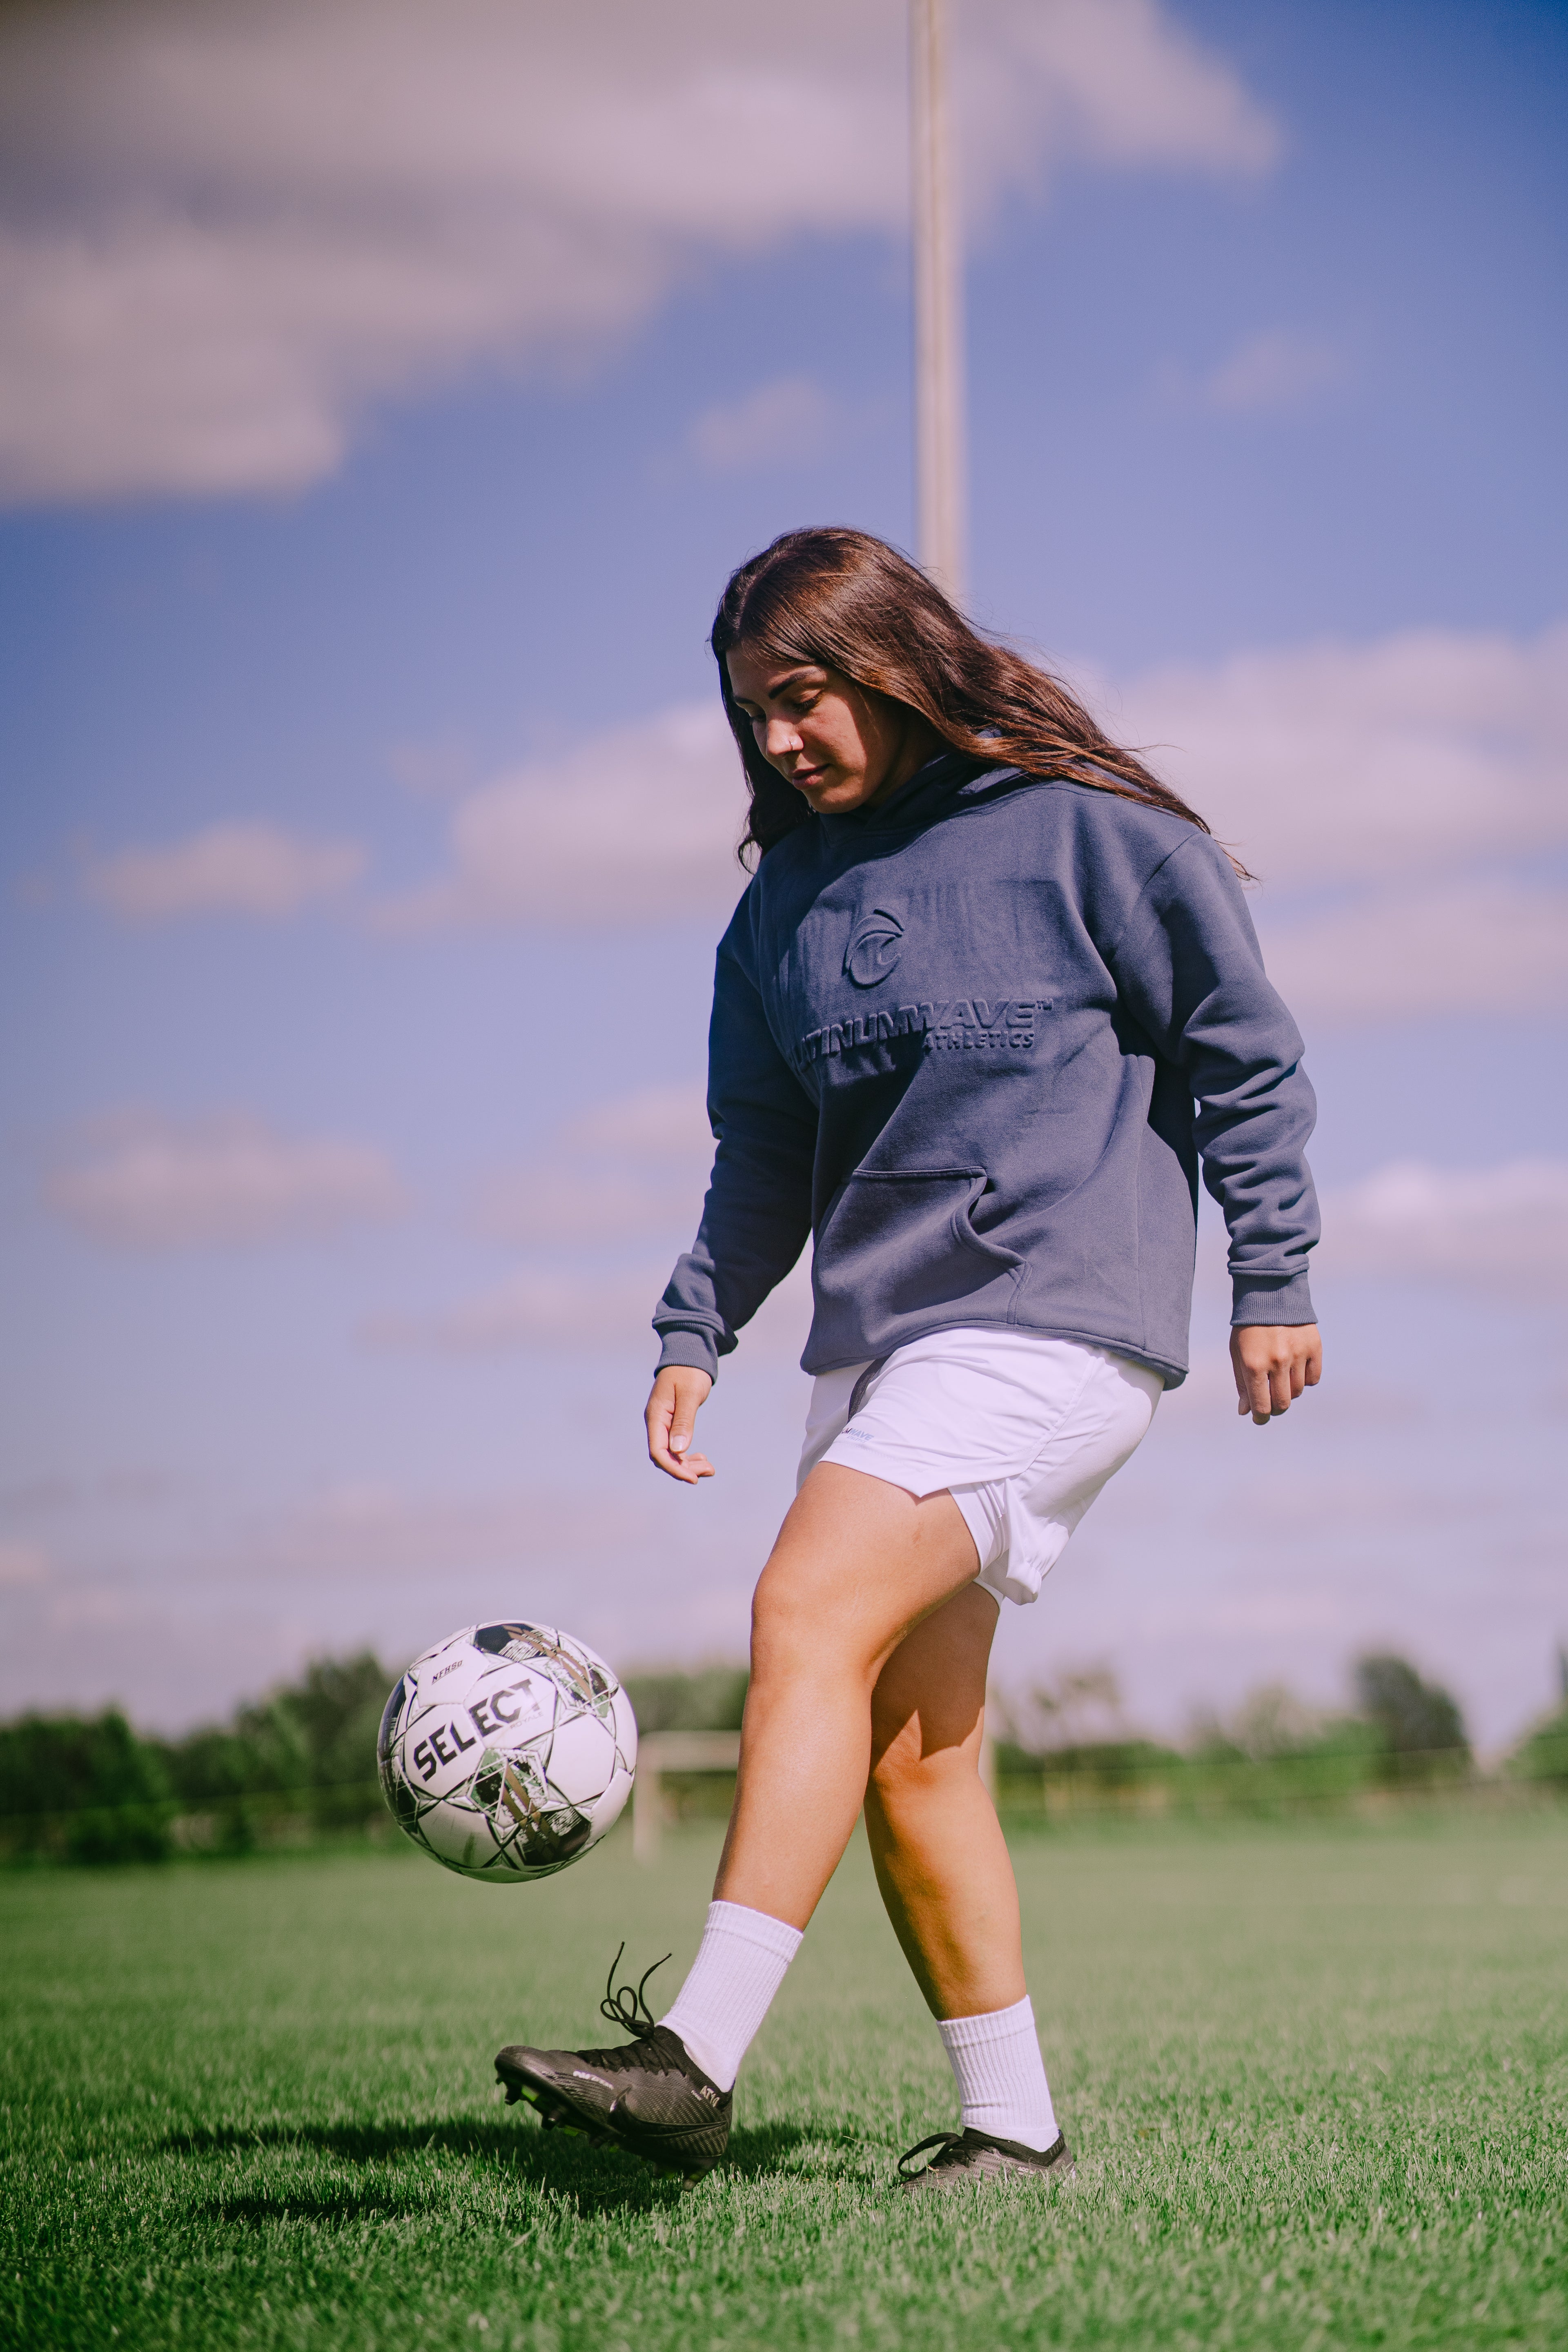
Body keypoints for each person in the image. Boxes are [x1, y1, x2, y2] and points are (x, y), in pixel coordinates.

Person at [495, 526, 1321, 2191]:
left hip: (1053, 1315)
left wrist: (1274, 1273)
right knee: (910, 1749)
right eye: (753, 714)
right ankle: (1014, 2129)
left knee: (803, 1611)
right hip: (878, 1347)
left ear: (896, 662)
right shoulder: (777, 914)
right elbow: (763, 1155)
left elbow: (1246, 1056)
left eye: (804, 696)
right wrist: (695, 1326)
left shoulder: (1094, 834)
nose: (779, 738)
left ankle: (694, 2060)